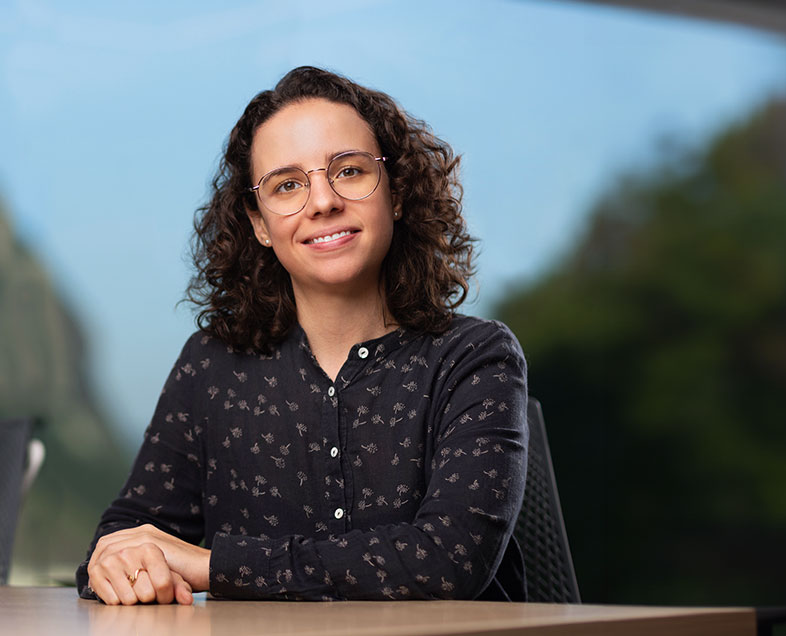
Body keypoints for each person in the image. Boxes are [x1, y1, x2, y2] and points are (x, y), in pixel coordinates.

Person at [76, 66, 528, 605]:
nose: (322, 202)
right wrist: (117, 564)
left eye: (351, 171)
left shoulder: (475, 358)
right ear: (260, 223)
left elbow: (447, 560)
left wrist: (210, 565)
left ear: (398, 195)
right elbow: (127, 535)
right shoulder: (211, 366)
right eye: (287, 185)